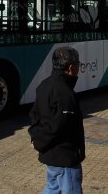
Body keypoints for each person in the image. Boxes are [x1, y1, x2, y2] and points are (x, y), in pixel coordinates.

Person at [29, 46, 86, 194]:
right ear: (71, 67)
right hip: (65, 158)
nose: (79, 68)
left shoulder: (44, 85)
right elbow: (57, 126)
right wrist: (38, 142)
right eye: (79, 65)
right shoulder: (65, 93)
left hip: (52, 158)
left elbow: (34, 115)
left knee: (52, 189)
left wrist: (35, 138)